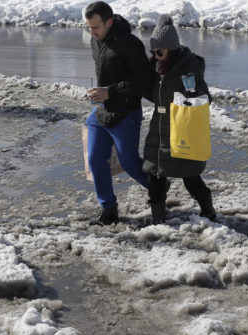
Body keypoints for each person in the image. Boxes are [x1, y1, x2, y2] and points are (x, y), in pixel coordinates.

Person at [142, 15, 217, 225]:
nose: (156, 56)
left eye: (159, 52)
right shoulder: (157, 69)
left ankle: (208, 212)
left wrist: (187, 97)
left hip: (182, 130)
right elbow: (153, 93)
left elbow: (203, 98)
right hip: (159, 129)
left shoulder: (187, 70)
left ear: (172, 50)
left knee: (190, 175)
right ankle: (158, 220)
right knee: (155, 174)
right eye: (153, 52)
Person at [83, 1, 150, 225]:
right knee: (94, 159)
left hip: (126, 111)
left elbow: (142, 82)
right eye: (89, 28)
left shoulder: (131, 44)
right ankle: (109, 210)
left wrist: (110, 92)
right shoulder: (96, 40)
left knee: (129, 163)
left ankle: (158, 188)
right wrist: (100, 93)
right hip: (102, 110)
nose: (92, 33)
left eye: (96, 27)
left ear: (109, 22)